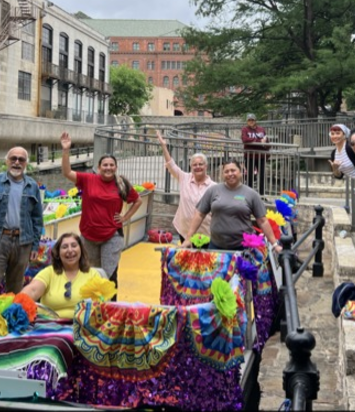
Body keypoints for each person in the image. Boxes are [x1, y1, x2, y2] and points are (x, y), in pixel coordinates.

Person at [61, 132, 143, 283]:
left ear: (116, 167)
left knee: (109, 274)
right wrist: (66, 150)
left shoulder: (121, 183)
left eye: (111, 165)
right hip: (88, 234)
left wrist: (125, 217)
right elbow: (67, 172)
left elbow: (137, 201)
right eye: (105, 165)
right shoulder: (88, 179)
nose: (108, 168)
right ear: (99, 167)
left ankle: (110, 305)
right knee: (90, 274)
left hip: (112, 234)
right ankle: (94, 305)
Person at [0, 148, 44, 307]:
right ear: (7, 161)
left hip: (23, 242)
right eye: (13, 158)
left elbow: (37, 219)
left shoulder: (32, 186)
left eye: (21, 159)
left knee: (16, 289)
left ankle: (9, 321)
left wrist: (34, 245)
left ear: (26, 164)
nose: (17, 162)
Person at [183, 161, 282, 254]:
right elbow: (199, 214)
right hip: (216, 247)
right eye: (226, 171)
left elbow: (262, 221)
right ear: (223, 174)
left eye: (233, 170)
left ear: (241, 172)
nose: (230, 174)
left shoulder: (251, 194)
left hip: (244, 249)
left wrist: (274, 244)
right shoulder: (213, 191)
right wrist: (188, 239)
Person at [21, 233, 106, 319]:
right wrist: (17, 303)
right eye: (65, 247)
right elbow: (33, 290)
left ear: (81, 249)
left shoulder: (93, 274)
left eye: (74, 245)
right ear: (58, 253)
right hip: (50, 327)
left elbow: (101, 306)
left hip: (83, 328)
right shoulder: (49, 272)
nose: (70, 250)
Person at [156, 130, 215, 243]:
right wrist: (164, 146)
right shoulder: (184, 178)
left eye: (200, 164)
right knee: (186, 258)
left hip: (205, 233)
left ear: (206, 166)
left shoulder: (214, 187)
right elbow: (170, 164)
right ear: (190, 166)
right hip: (184, 230)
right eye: (194, 164)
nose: (198, 167)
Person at [241, 114, 270, 195]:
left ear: (255, 121)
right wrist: (259, 141)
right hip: (249, 156)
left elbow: (266, 140)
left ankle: (261, 195)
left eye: (252, 120)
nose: (251, 122)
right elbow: (245, 139)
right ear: (247, 121)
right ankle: (249, 195)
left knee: (261, 176)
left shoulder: (261, 129)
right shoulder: (245, 129)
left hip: (261, 156)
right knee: (250, 176)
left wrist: (265, 143)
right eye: (249, 120)